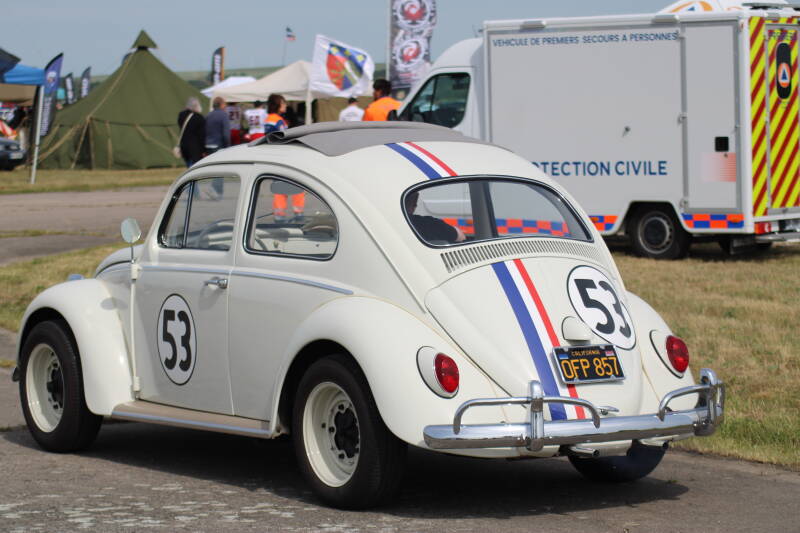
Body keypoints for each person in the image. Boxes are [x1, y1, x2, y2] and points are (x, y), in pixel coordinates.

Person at [177, 97, 205, 167]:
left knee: (188, 165)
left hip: (184, 146)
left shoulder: (181, 115)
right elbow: (202, 136)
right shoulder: (199, 118)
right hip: (195, 148)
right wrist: (203, 150)